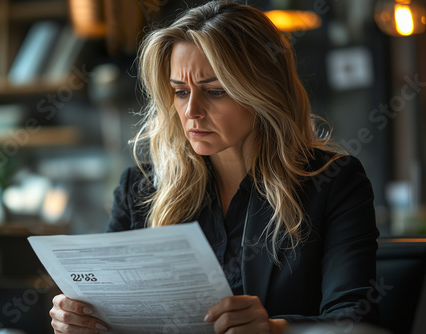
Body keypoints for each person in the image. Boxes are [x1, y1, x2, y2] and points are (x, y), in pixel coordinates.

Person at [49, 1, 380, 333]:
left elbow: (355, 320)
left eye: (215, 91)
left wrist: (275, 329)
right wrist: (79, 320)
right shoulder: (140, 189)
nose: (191, 110)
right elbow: (108, 311)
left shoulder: (333, 182)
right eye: (180, 91)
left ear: (263, 90)